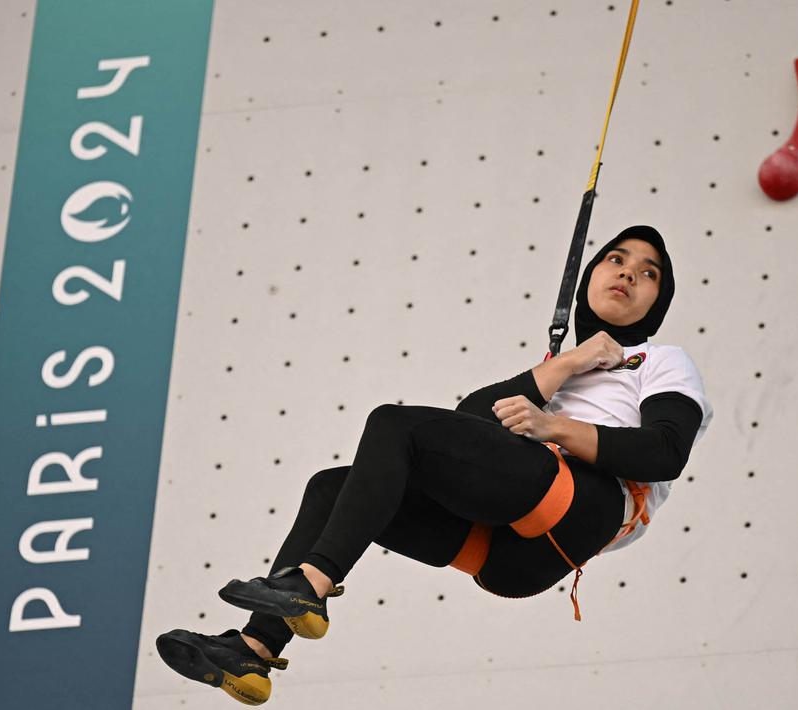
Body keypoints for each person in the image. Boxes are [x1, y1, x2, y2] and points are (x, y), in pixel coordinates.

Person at [156, 224, 713, 705]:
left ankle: (312, 584)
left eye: (649, 273)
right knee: (331, 487)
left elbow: (665, 453)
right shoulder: (566, 366)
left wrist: (554, 428)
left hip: (582, 511)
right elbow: (469, 424)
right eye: (615, 259)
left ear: (657, 302)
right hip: (507, 557)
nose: (628, 272)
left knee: (394, 424)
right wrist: (568, 362)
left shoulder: (660, 360)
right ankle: (253, 652)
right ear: (589, 275)